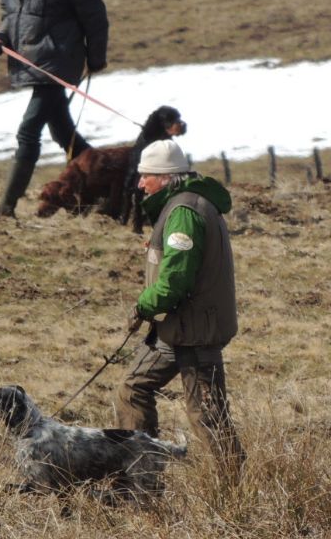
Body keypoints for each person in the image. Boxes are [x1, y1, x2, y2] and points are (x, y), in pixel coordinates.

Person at [115, 139, 246, 482]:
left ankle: (237, 489)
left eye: (146, 176)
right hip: (177, 327)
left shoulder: (184, 213)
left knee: (207, 415)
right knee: (133, 388)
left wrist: (143, 305)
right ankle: (141, 475)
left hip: (195, 331)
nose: (140, 183)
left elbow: (174, 281)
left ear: (165, 176)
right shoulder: (181, 205)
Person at [0, 0, 109, 218]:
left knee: (28, 131)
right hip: (32, 62)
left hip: (58, 64)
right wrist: (1, 36)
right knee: (63, 134)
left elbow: (95, 18)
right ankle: (107, 187)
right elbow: (10, 13)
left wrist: (96, 58)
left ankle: (6, 206)